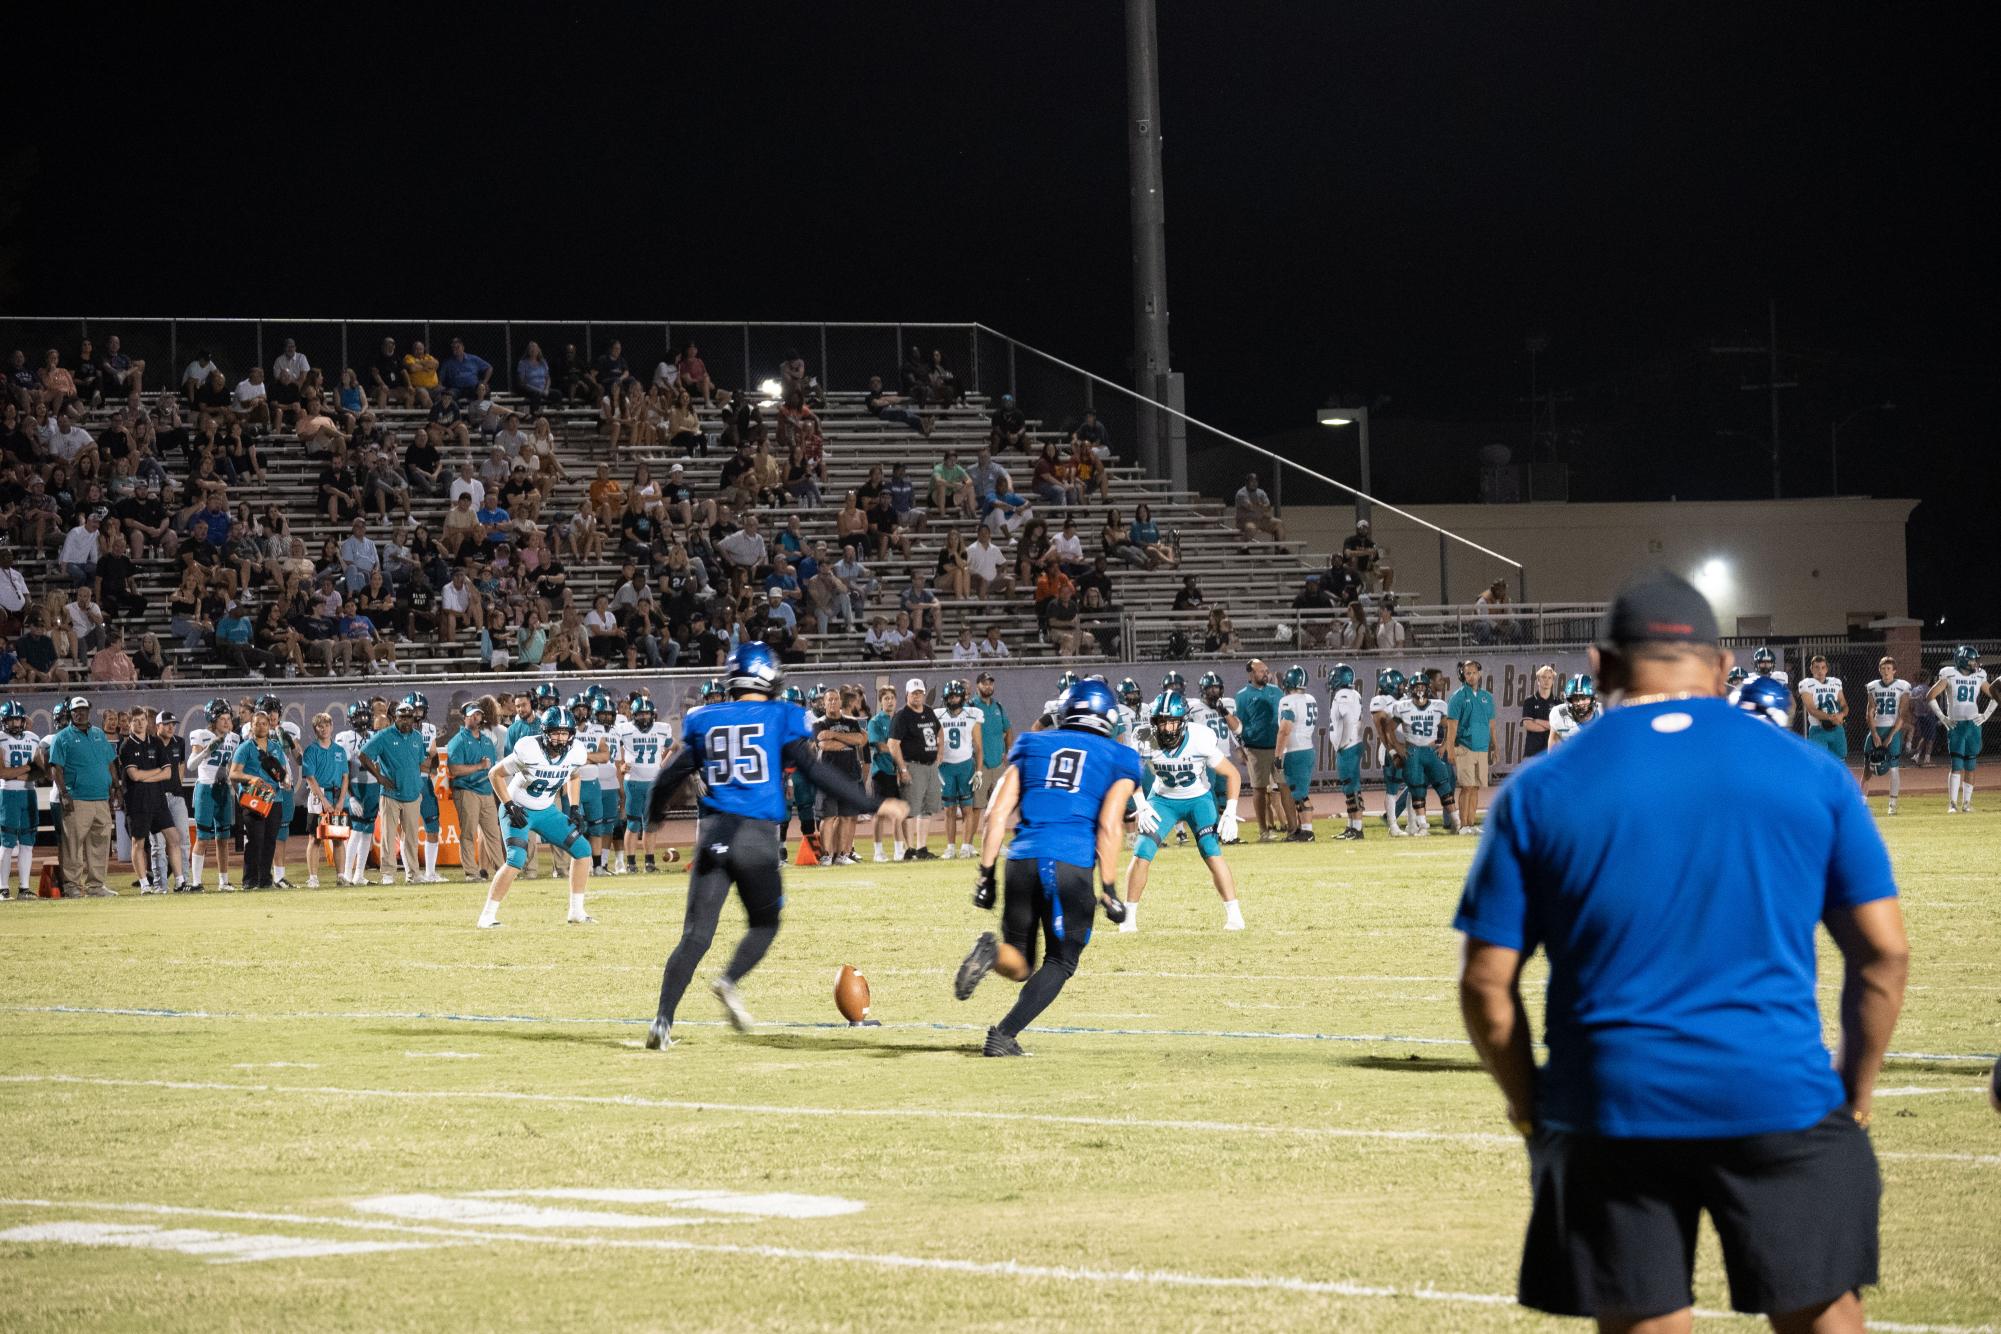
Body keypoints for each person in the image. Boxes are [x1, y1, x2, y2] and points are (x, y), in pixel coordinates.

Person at [1455, 569, 1908, 1334]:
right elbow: (1882, 956)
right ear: (1724, 668)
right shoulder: (1811, 774)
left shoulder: (1540, 788)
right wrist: (1853, 1095)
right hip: (1777, 1090)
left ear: (1597, 667)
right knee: (1821, 1313)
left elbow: (1485, 984)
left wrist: (1530, 1105)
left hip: (1609, 1104)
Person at [640, 644, 906, 1047]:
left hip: (711, 836)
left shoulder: (703, 718)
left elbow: (669, 775)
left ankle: (662, 1023)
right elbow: (816, 773)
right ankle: (729, 980)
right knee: (765, 923)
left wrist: (655, 814)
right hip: (756, 838)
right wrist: (874, 803)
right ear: (767, 676)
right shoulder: (781, 715)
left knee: (694, 936)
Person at [951, 680, 1143, 1056]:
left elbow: (996, 813)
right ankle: (1004, 1035)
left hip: (1021, 860)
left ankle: (990, 953)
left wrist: (986, 875)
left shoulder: (1032, 743)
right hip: (1068, 862)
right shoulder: (1119, 756)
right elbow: (1109, 823)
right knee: (1061, 960)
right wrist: (1109, 888)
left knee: (1020, 963)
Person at [1122, 689, 1244, 933]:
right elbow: (1131, 774)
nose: (1166, 728)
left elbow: (1232, 774)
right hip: (1163, 800)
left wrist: (1230, 810)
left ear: (1184, 721)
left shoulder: (1200, 738)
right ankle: (1128, 919)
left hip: (1198, 799)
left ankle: (1235, 915)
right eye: (1160, 722)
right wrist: (1142, 804)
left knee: (1211, 851)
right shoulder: (1145, 737)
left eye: (1171, 722)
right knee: (1142, 851)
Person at [474, 706, 597, 928]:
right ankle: (487, 916)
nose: (560, 738)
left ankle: (577, 912)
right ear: (545, 732)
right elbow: (495, 774)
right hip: (518, 808)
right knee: (516, 860)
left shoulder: (577, 752)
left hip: (546, 810)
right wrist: (509, 805)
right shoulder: (529, 748)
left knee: (583, 850)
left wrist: (576, 807)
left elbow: (575, 775)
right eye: (555, 732)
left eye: (565, 732)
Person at [48, 697, 118, 897]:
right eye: (76, 710)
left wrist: (117, 786)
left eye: (84, 709)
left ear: (89, 711)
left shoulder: (99, 734)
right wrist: (64, 793)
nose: (80, 713)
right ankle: (72, 886)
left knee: (100, 843)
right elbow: (56, 768)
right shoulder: (62, 737)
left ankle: (96, 886)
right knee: (73, 845)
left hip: (101, 798)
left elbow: (110, 762)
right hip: (77, 798)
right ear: (71, 713)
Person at [1392, 668, 1463, 835]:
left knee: (1444, 787)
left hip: (1431, 751)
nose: (1419, 690)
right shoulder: (1402, 706)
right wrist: (1397, 745)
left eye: (1422, 686)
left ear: (1427, 687)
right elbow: (1389, 729)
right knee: (1417, 789)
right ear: (1410, 689)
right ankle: (1423, 826)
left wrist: (1445, 745)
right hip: (1413, 752)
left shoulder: (1438, 706)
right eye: (1416, 687)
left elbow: (1450, 726)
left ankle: (1457, 822)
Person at [1233, 659, 1295, 842]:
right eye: (1261, 671)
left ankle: (1293, 829)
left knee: (1285, 787)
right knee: (1259, 789)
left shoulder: (1276, 692)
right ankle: (1263, 831)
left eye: (1266, 671)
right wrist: (1240, 747)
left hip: (1277, 747)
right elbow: (1239, 725)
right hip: (1255, 748)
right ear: (1251, 674)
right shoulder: (1242, 696)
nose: (1265, 674)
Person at [1926, 645, 1991, 813]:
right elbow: (1930, 696)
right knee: (1956, 764)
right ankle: (1953, 804)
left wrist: (1986, 715)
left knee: (1971, 764)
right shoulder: (1949, 674)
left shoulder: (1979, 675)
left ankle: (1967, 804)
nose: (1975, 663)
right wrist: (1943, 717)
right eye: (1971, 660)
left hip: (1973, 724)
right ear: (1962, 660)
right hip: (1957, 724)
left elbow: (1995, 695)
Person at [120, 709, 177, 894]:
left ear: (147, 722)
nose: (140, 723)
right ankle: (145, 884)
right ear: (129, 724)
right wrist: (156, 773)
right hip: (137, 803)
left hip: (158, 801)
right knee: (139, 842)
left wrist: (145, 776)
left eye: (142, 720)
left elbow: (168, 773)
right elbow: (133, 775)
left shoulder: (156, 742)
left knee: (174, 838)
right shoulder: (126, 745)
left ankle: (181, 881)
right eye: (135, 720)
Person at [444, 701, 503, 881]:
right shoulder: (457, 741)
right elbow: (454, 770)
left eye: (478, 714)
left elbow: (491, 767)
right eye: (472, 714)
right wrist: (479, 766)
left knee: (493, 833)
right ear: (465, 717)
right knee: (469, 833)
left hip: (486, 791)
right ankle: (471, 872)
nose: (476, 717)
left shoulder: (487, 741)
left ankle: (502, 870)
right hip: (467, 791)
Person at [228, 711, 287, 889]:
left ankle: (265, 881)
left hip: (275, 799)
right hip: (254, 798)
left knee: (270, 840)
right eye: (257, 723)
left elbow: (283, 772)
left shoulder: (276, 747)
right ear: (251, 726)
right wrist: (251, 778)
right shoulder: (245, 747)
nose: (261, 726)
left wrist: (286, 781)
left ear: (269, 726)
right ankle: (250, 881)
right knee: (255, 840)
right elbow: (233, 773)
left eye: (264, 723)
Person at [186, 699, 239, 891]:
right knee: (202, 837)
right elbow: (191, 765)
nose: (226, 722)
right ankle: (196, 882)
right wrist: (208, 750)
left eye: (228, 718)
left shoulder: (234, 738)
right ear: (212, 720)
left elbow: (232, 766)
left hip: (223, 789)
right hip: (206, 790)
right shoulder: (202, 735)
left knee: (223, 838)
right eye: (222, 718)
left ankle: (223, 881)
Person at [887, 678, 943, 860]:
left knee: (926, 808)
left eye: (920, 693)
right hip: (913, 765)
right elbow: (893, 744)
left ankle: (921, 848)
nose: (917, 696)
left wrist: (940, 752)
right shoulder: (902, 716)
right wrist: (903, 769)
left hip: (930, 766)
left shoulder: (928, 711)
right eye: (914, 693)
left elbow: (939, 730)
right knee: (910, 809)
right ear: (907, 694)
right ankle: (908, 849)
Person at [618, 693, 673, 875]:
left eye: (647, 713)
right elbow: (615, 752)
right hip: (633, 782)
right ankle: (631, 863)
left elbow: (673, 747)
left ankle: (649, 862)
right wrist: (621, 765)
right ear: (634, 715)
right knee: (633, 824)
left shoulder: (662, 728)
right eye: (641, 714)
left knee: (650, 825)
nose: (644, 717)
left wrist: (662, 765)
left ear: (653, 714)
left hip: (653, 783)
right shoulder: (624, 728)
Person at [334, 700, 385, 886]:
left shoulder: (374, 735)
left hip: (373, 787)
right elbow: (344, 770)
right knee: (356, 832)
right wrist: (351, 797)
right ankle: (347, 874)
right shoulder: (345, 737)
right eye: (359, 715)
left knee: (367, 832)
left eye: (365, 715)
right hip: (356, 787)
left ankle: (359, 874)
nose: (363, 719)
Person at [1444, 658, 1497, 833]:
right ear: (1463, 675)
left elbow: (1491, 725)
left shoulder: (1487, 697)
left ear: (1479, 674)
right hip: (1465, 747)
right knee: (1466, 787)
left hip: (1482, 747)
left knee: (1475, 787)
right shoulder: (1458, 697)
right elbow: (1452, 725)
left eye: (1474, 672)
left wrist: (1495, 746)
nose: (1472, 676)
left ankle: (1472, 824)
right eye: (1468, 673)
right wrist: (1450, 748)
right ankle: (1463, 825)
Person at [935, 679, 984, 860]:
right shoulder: (937, 715)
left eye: (957, 695)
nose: (954, 699)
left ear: (963, 697)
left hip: (965, 765)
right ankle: (950, 847)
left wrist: (979, 770)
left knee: (967, 808)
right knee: (949, 810)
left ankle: (966, 846)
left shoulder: (972, 714)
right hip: (946, 767)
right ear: (946, 697)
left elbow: (978, 746)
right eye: (951, 696)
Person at [299, 711, 349, 889]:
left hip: (337, 797)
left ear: (332, 727)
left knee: (338, 838)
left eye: (327, 725)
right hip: (318, 798)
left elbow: (345, 777)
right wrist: (324, 802)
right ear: (315, 729)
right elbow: (310, 778)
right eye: (320, 726)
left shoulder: (339, 751)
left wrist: (341, 801)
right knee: (315, 838)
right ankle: (313, 877)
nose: (325, 729)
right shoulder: (311, 751)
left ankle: (341, 876)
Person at [0, 700, 43, 897]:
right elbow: (2, 772)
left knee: (27, 841)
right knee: (7, 842)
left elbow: (40, 771)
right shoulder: (1, 738)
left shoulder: (33, 738)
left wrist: (17, 773)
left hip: (28, 793)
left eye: (18, 719)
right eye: (11, 720)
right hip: (8, 794)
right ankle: (3, 888)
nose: (16, 724)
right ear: (4, 721)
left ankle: (24, 888)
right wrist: (27, 768)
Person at [1323, 663, 1369, 840]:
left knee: (1351, 787)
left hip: (1348, 746)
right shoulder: (1352, 693)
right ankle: (1351, 826)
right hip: (1353, 744)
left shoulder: (1343, 695)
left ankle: (1357, 828)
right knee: (1349, 786)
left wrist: (1342, 743)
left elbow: (1349, 721)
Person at [1862, 657, 1911, 815]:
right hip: (1877, 728)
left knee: (1894, 768)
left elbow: (1902, 714)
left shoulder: (1902, 686)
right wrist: (1875, 734)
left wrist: (1891, 736)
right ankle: (1862, 803)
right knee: (1868, 767)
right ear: (1879, 670)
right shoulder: (1873, 686)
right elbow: (1869, 712)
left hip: (1893, 730)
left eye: (1889, 668)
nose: (1886, 671)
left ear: (1894, 670)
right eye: (1883, 668)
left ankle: (1892, 804)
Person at [1274, 665, 1318, 841]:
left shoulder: (1288, 701)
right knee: (1299, 792)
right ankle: (1303, 830)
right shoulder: (1310, 698)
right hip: (1308, 748)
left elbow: (1285, 730)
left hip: (1296, 750)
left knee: (1300, 794)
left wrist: (1278, 754)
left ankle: (1307, 831)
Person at [865, 684, 903, 863]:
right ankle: (878, 851)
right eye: (886, 698)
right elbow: (879, 745)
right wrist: (899, 751)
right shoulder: (875, 721)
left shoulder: (899, 719)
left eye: (892, 698)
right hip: (882, 772)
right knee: (879, 814)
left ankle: (898, 850)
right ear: (880, 702)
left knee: (899, 813)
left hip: (898, 772)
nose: (890, 701)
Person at [1798, 654, 1851, 769]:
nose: (1820, 670)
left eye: (1822, 667)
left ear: (1827, 669)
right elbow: (1811, 709)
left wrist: (1841, 715)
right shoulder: (1806, 684)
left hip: (1837, 728)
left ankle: (1837, 787)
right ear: (1811, 669)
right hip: (1818, 730)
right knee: (1818, 765)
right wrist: (1832, 717)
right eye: (1816, 667)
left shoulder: (1835, 682)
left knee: (1840, 763)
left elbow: (1844, 704)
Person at [1520, 664, 1560, 761]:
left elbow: (1559, 727)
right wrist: (1550, 727)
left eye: (1550, 678)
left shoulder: (1558, 703)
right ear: (1538, 680)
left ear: (1553, 681)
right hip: (1532, 752)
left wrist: (1537, 721)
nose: (1547, 680)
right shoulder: (1529, 701)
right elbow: (1528, 724)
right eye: (1544, 677)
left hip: (1552, 753)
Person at [1548, 674, 1598, 746]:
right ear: (1570, 700)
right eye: (1576, 699)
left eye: (1583, 698)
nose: (1579, 703)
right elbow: (1553, 748)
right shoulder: (1559, 714)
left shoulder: (1604, 713)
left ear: (1593, 699)